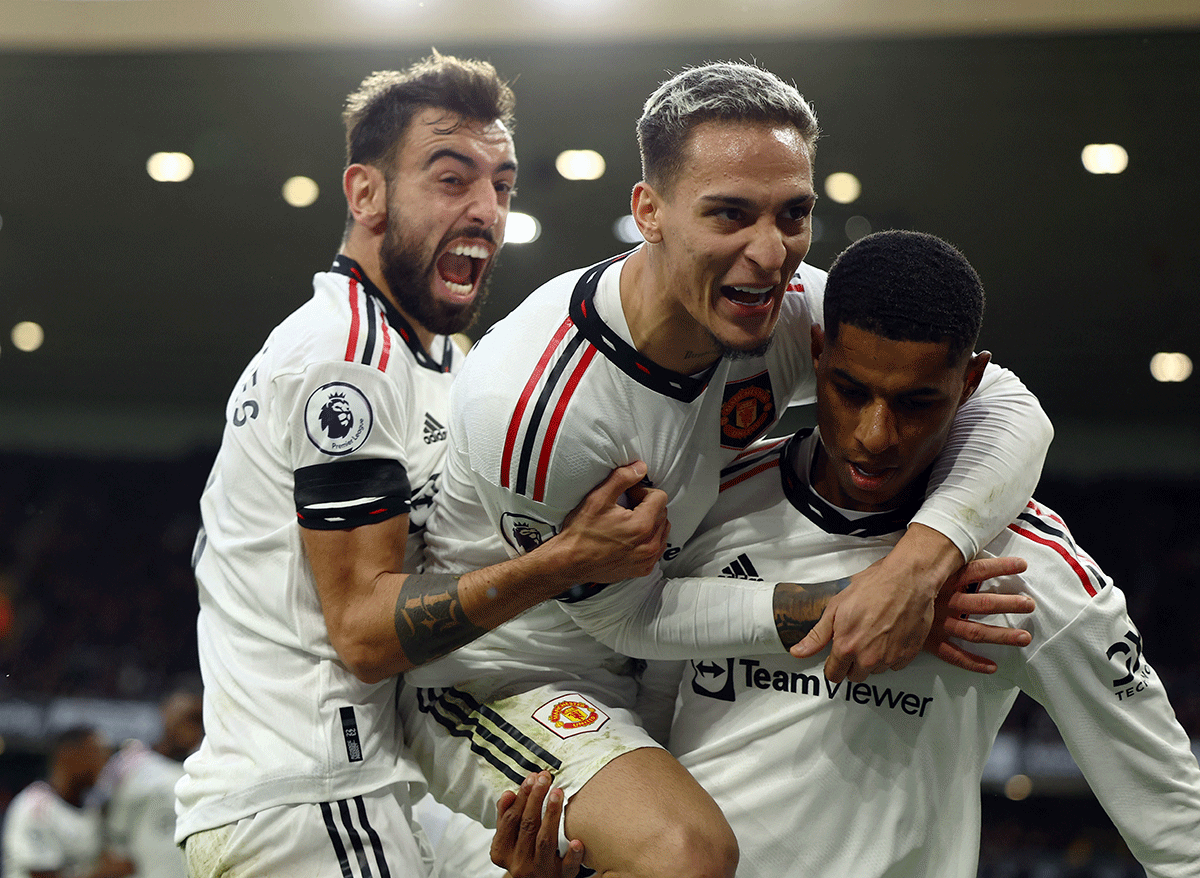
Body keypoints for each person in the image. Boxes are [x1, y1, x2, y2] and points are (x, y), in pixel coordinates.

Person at [401, 61, 1053, 877]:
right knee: (685, 855)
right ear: (650, 213)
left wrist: (920, 565)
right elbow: (623, 619)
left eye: (795, 214)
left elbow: (1009, 404)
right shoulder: (540, 412)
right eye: (730, 215)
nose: (770, 252)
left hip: (654, 676)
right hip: (508, 679)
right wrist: (842, 606)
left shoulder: (782, 309)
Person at [175, 53, 667, 877]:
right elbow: (366, 633)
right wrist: (566, 562)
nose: (486, 210)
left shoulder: (436, 357)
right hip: (313, 798)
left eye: (502, 186)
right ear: (365, 194)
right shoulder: (347, 354)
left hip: (361, 789)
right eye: (451, 179)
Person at [645, 229, 1200, 877]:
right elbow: (638, 711)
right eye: (851, 391)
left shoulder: (1030, 568)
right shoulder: (709, 500)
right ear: (818, 356)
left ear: (970, 382)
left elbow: (1175, 822)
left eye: (916, 402)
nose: (875, 436)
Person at [1, 726, 135, 878]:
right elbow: (41, 875)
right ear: (68, 755)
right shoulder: (36, 807)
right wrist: (108, 872)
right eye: (97, 754)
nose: (104, 763)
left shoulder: (93, 808)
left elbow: (108, 859)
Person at [98, 690, 204, 878]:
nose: (188, 727)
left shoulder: (205, 771)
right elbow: (101, 824)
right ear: (165, 713)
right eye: (185, 718)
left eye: (197, 721)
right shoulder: (130, 763)